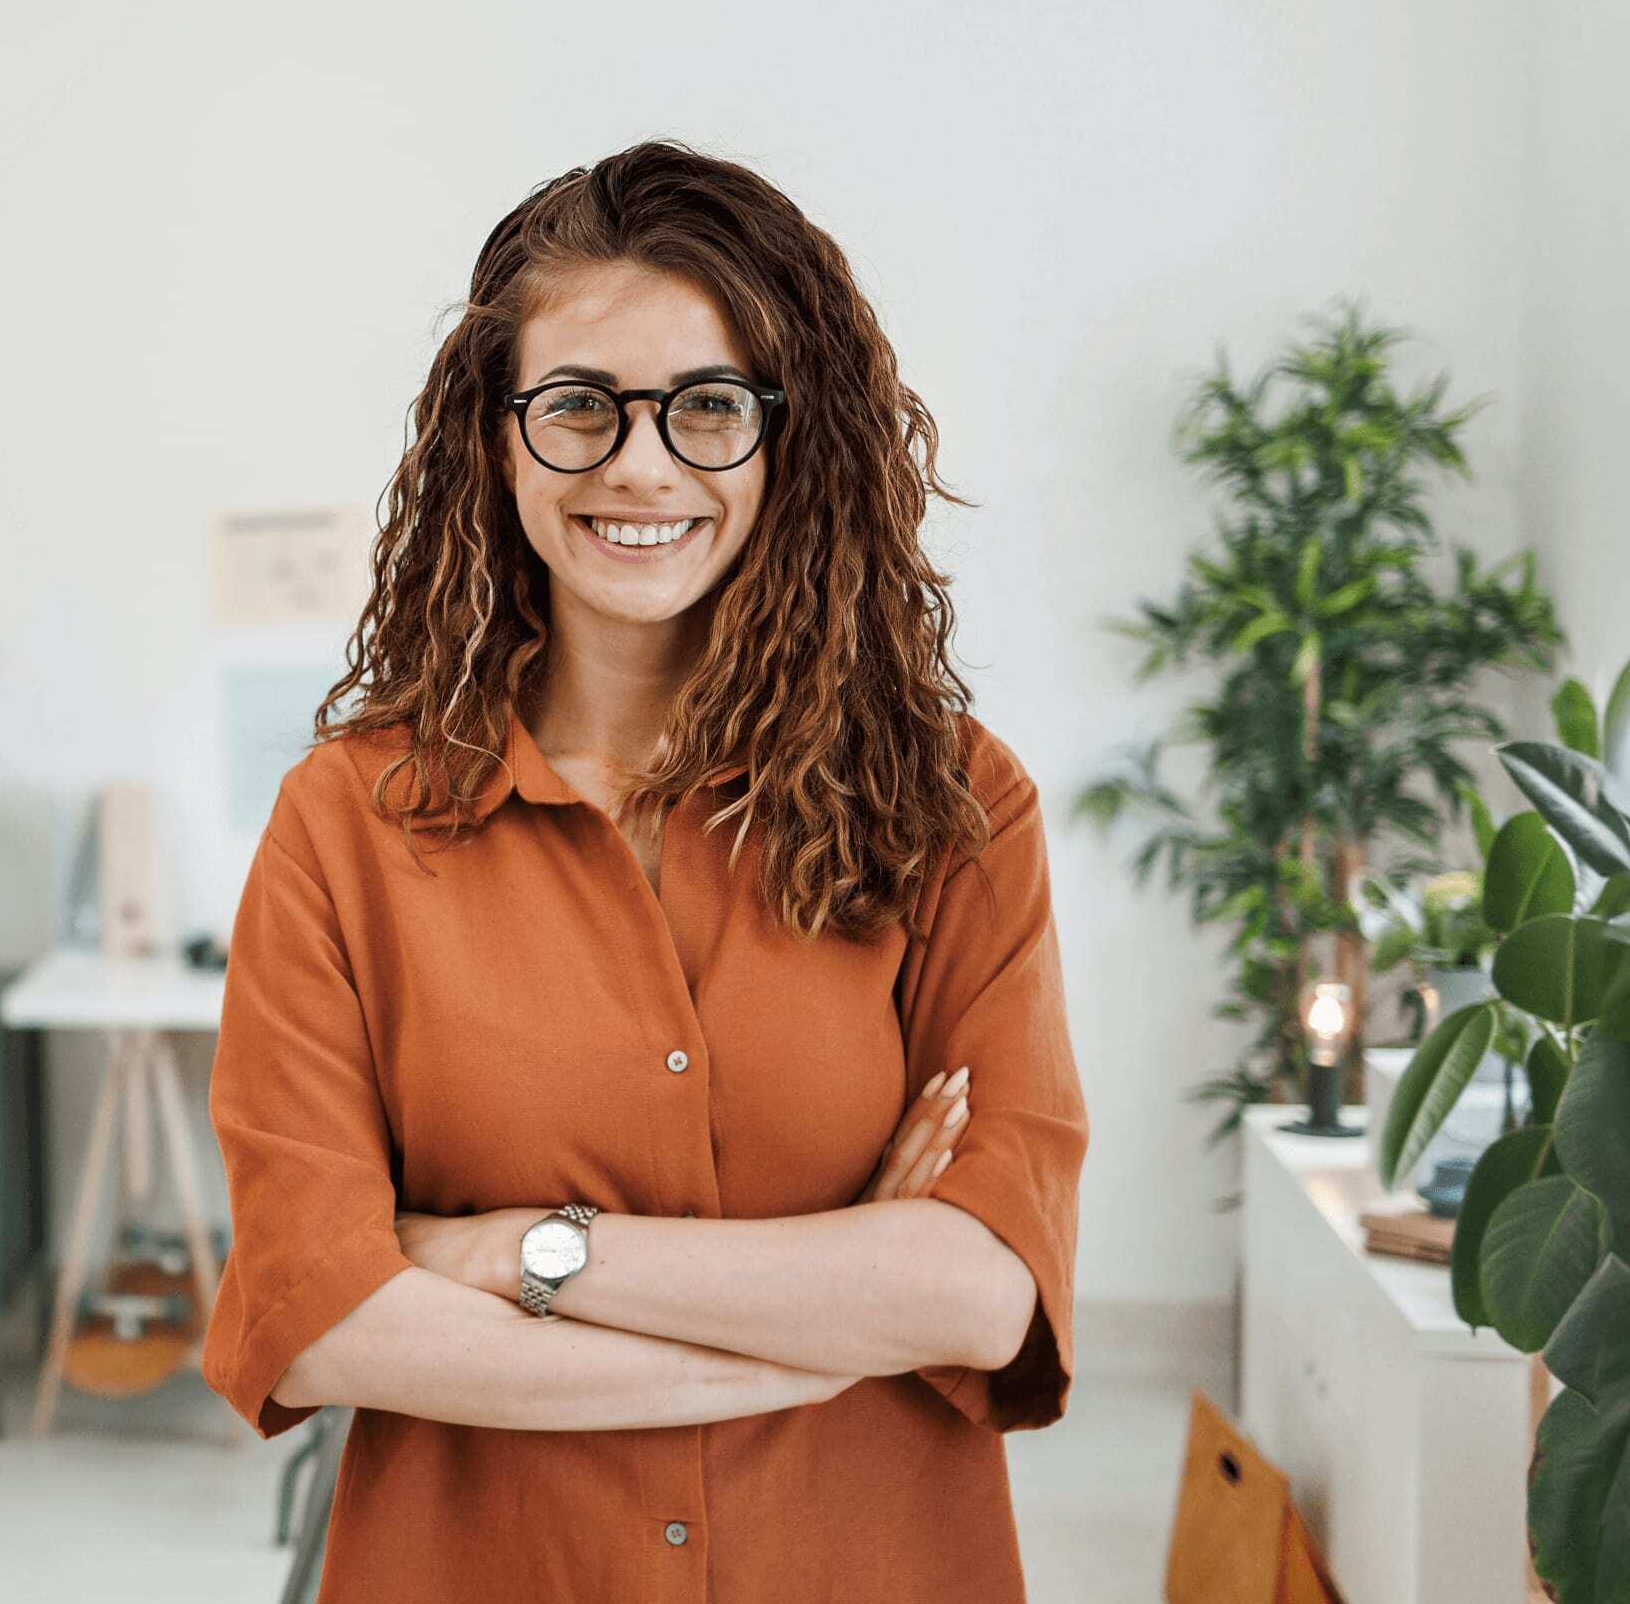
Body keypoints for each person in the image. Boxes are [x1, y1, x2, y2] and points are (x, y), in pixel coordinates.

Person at [201, 137, 1090, 1602]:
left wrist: (510, 1254)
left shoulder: (952, 805)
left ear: (789, 438)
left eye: (707, 408)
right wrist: (826, 1316)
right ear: (494, 438)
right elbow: (325, 1322)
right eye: (579, 407)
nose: (640, 464)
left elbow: (980, 1293)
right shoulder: (349, 821)